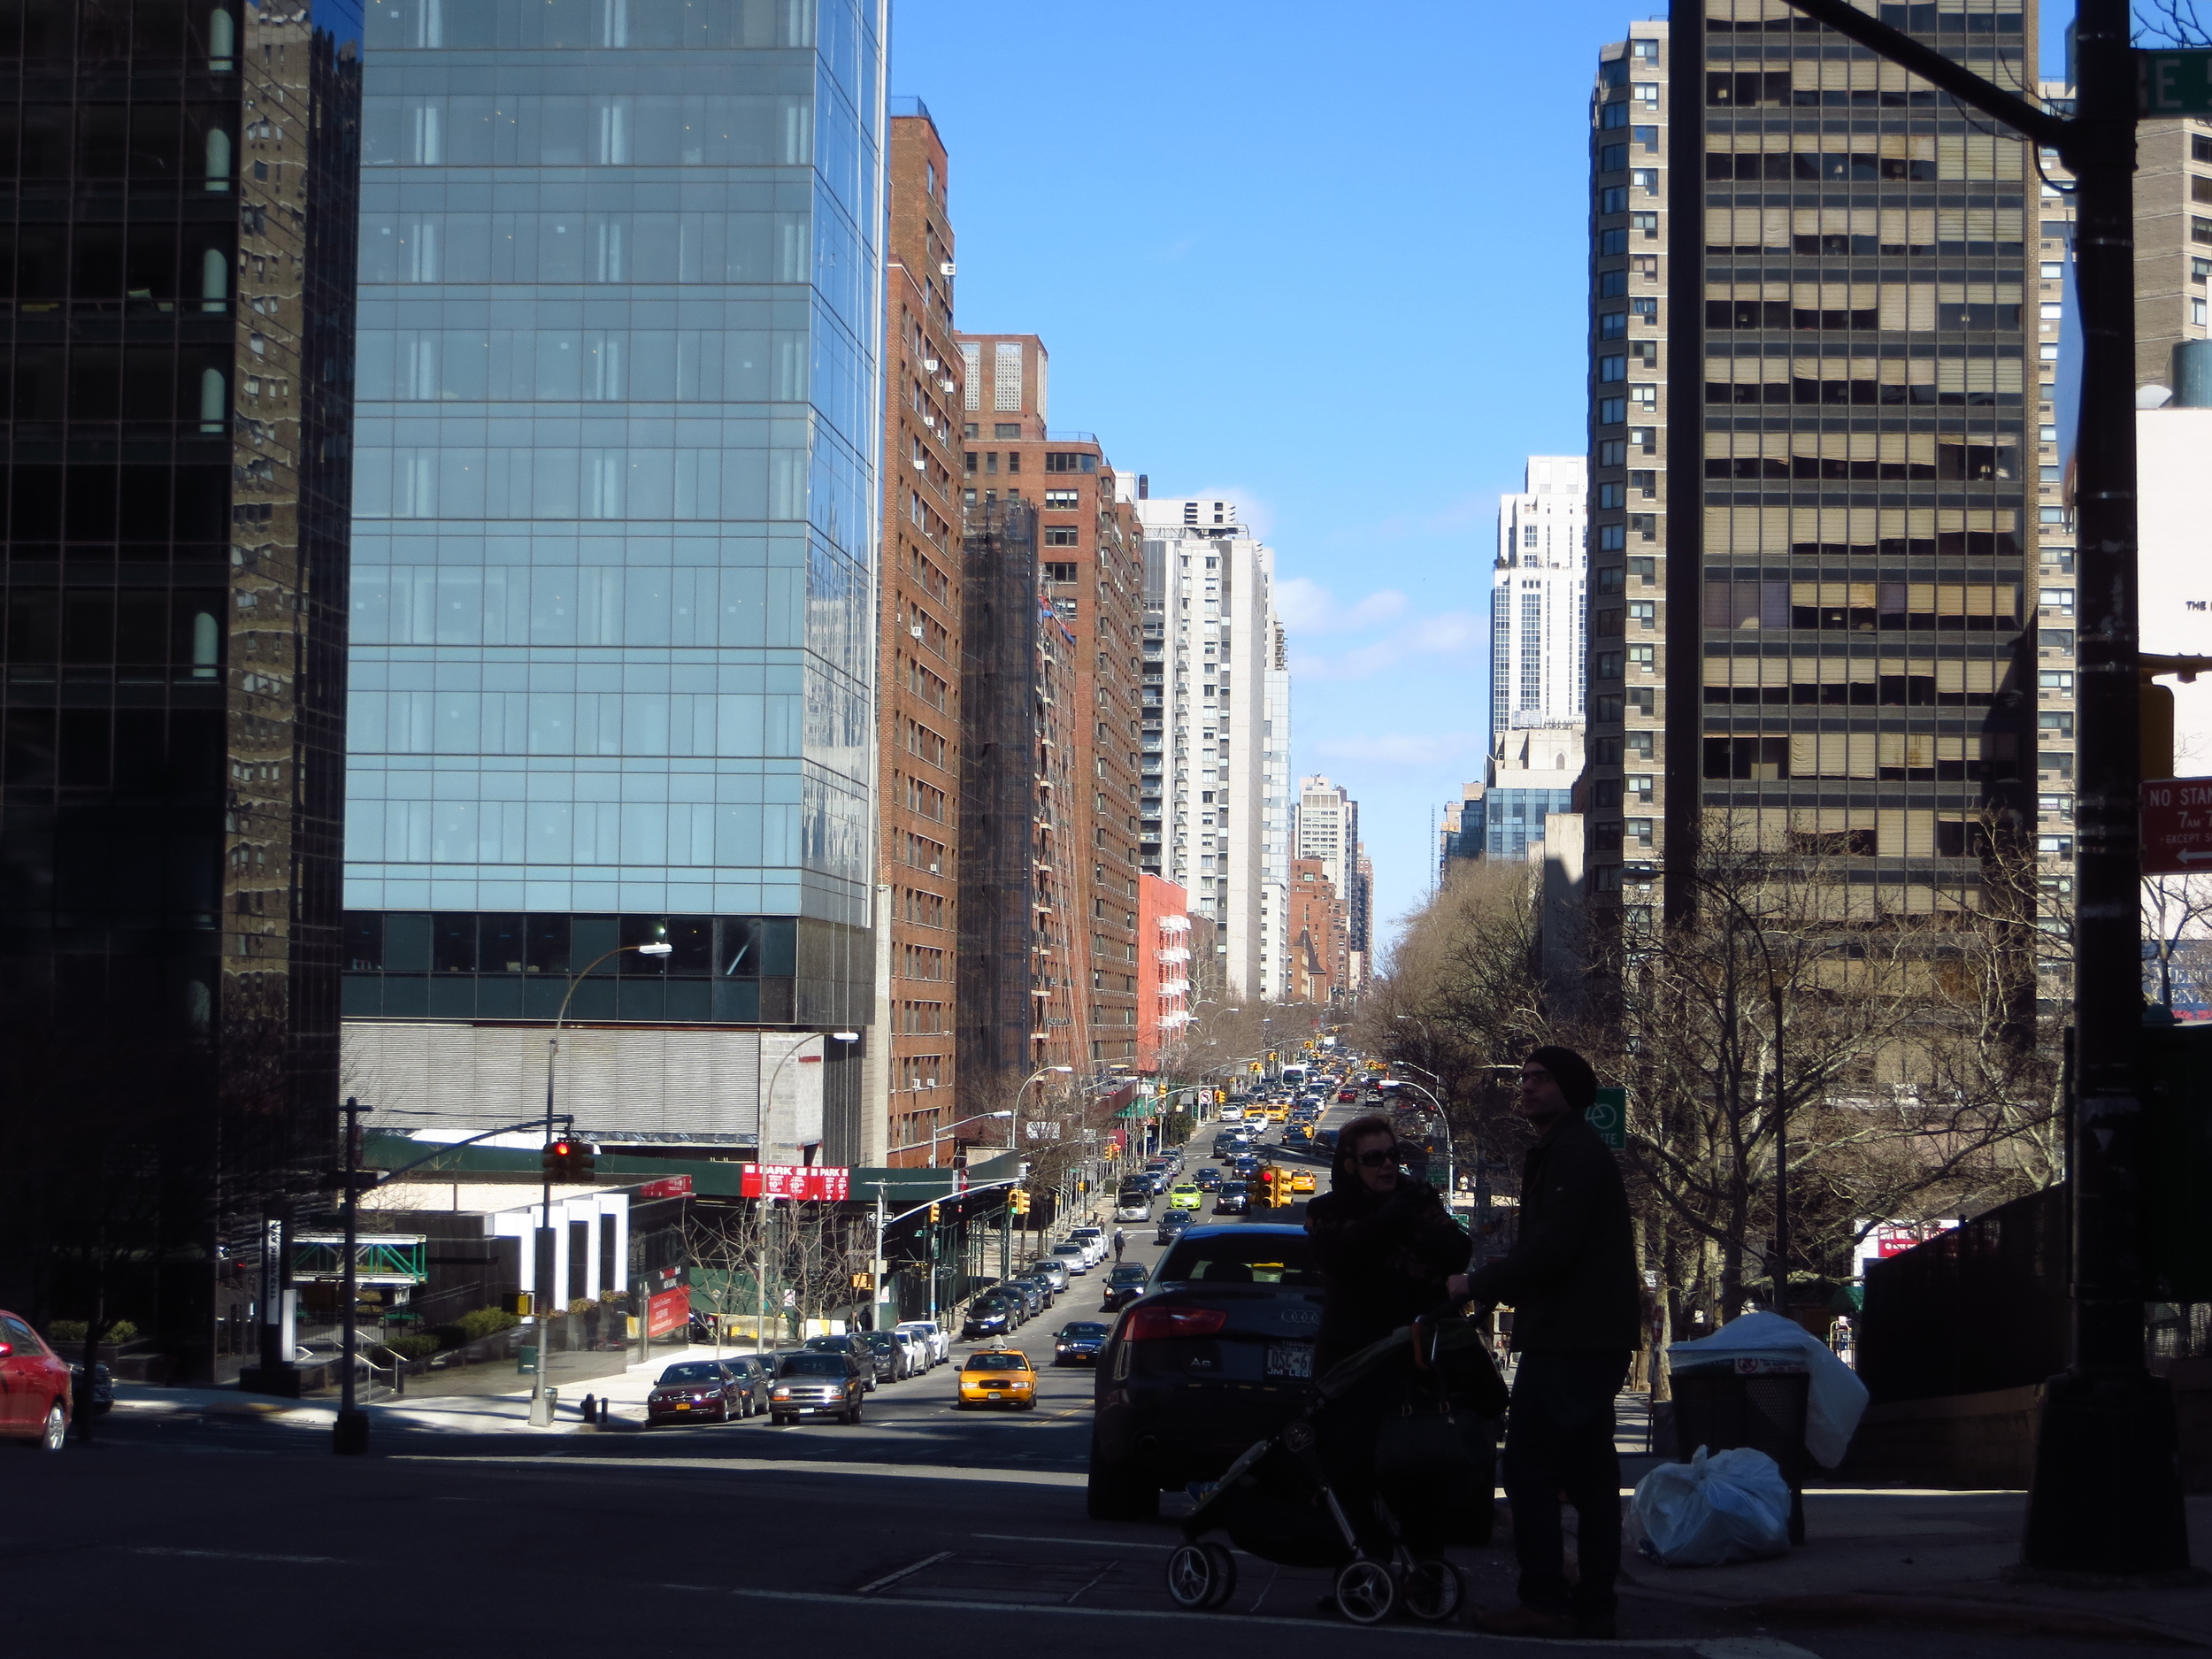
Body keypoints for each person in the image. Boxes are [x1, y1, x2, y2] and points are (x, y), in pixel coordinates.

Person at [1463, 1046, 1640, 1641]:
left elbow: (1552, 1248)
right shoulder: (1566, 1149)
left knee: (1529, 1464)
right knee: (1591, 1474)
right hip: (1586, 1333)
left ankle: (1545, 1598)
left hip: (1573, 1337)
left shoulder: (1571, 1152)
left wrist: (1476, 1283)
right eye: (1524, 1078)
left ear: (1568, 1088)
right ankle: (1594, 1606)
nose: (1526, 1087)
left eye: (1539, 1078)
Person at [1304, 1113, 1471, 1376]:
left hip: (1423, 1352)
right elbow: (1339, 1264)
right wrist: (1384, 1219)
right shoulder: (1327, 1211)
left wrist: (1413, 1222)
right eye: (1374, 1158)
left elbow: (1459, 1254)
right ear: (1351, 1165)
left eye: (1392, 1154)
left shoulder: (1418, 1196)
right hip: (1357, 1356)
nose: (1387, 1164)